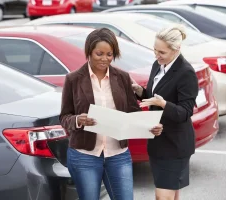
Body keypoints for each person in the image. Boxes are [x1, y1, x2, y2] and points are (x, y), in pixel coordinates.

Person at [59, 28, 163, 200]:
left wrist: (149, 127)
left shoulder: (122, 77)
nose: (105, 59)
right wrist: (78, 120)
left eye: (109, 54)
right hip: (84, 155)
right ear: (89, 52)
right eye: (99, 53)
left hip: (118, 155)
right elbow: (64, 117)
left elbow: (132, 112)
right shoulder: (74, 79)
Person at [132, 24, 199, 200]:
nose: (157, 55)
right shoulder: (158, 65)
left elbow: (185, 112)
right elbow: (154, 96)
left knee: (163, 197)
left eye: (162, 52)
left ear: (176, 49)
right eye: (155, 50)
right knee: (170, 196)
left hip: (175, 145)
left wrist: (163, 104)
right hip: (158, 143)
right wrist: (139, 91)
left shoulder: (186, 73)